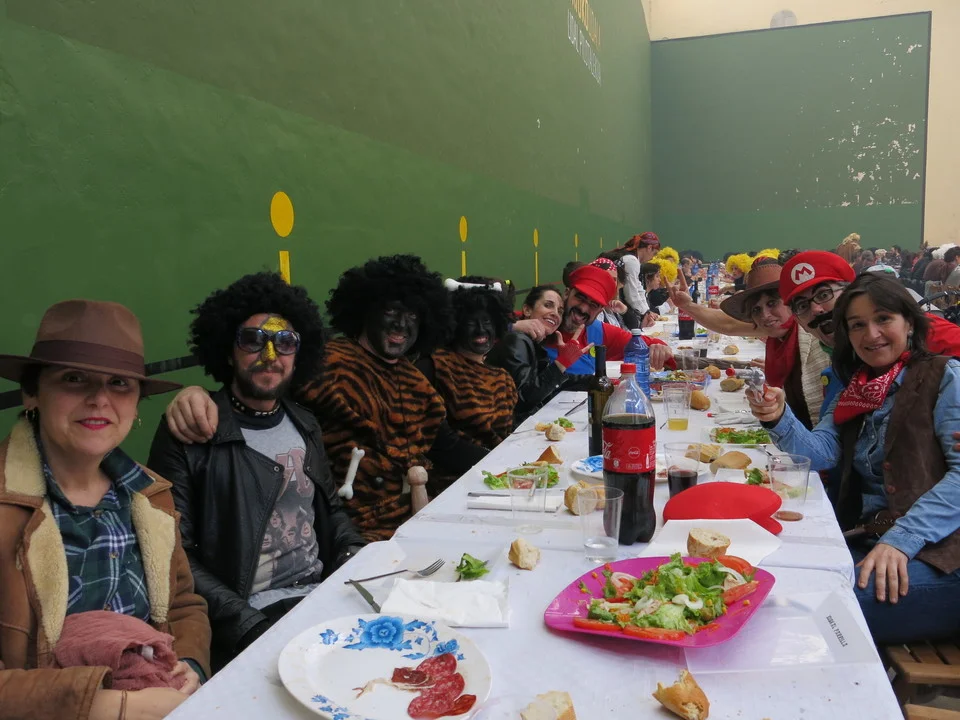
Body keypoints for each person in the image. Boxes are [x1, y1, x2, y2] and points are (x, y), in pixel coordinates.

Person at [0, 300, 210, 720]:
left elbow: (184, 604)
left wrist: (190, 663)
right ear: (32, 393)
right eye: (74, 379)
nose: (99, 399)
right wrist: (111, 706)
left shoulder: (150, 497)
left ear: (136, 406)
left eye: (119, 383)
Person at [148, 273, 365, 667]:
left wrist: (356, 554)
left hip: (323, 596)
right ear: (228, 350)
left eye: (285, 342)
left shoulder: (305, 423)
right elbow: (174, 553)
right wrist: (247, 623)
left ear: (299, 354)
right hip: (252, 617)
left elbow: (330, 510)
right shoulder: (193, 431)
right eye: (252, 340)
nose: (270, 355)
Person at [748, 274, 960, 644]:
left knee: (814, 611)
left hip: (942, 554)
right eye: (857, 325)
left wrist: (901, 539)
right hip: (874, 539)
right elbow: (821, 454)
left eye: (883, 319)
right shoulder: (855, 387)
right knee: (768, 573)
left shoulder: (945, 377)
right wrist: (778, 417)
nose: (871, 334)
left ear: (910, 323)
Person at [297, 255, 487, 539]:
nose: (401, 324)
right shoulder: (328, 366)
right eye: (390, 312)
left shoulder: (414, 381)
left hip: (415, 521)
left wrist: (509, 465)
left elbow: (445, 445)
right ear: (365, 312)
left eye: (412, 316)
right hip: (352, 531)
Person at [779, 251, 960, 419]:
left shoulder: (920, 331)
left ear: (851, 293)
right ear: (799, 322)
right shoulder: (840, 362)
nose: (816, 310)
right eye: (802, 306)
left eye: (824, 294)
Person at [416, 282, 517, 450]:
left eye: (486, 321)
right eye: (470, 323)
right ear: (454, 325)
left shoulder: (502, 377)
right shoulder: (435, 367)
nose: (480, 330)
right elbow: (438, 440)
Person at [541, 264, 674, 374]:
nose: (583, 309)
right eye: (580, 298)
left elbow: (648, 344)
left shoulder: (597, 332)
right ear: (567, 293)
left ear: (600, 310)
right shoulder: (541, 324)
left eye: (593, 305)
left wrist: (660, 349)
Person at [486, 285, 587, 422]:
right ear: (527, 310)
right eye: (548, 305)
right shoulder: (517, 340)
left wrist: (598, 381)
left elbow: (549, 383)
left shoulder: (530, 342)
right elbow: (521, 401)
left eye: (560, 311)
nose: (555, 314)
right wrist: (561, 363)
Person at [613, 232, 661, 328]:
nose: (652, 258)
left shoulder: (631, 257)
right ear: (649, 248)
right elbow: (631, 294)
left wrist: (647, 311)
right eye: (654, 253)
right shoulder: (631, 260)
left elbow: (638, 287)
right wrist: (645, 314)